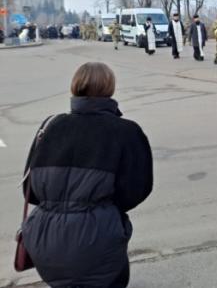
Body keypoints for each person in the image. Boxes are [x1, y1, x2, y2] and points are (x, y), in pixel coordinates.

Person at [21, 62, 153, 288]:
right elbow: (136, 191)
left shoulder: (50, 125)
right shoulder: (126, 131)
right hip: (99, 239)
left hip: (45, 241)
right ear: (110, 88)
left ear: (75, 87)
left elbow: (30, 191)